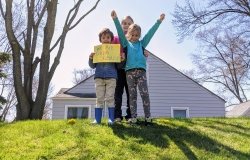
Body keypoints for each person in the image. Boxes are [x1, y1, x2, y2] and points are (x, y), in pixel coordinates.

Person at [111, 10, 165, 124]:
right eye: (132, 35)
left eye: (137, 35)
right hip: (129, 73)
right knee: (132, 96)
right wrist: (115, 19)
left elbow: (150, 33)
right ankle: (133, 117)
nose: (134, 37)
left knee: (145, 94)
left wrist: (159, 21)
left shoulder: (142, 43)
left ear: (139, 35)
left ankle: (148, 116)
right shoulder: (126, 43)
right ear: (128, 34)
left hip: (141, 72)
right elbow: (120, 32)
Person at [89, 28, 125, 125]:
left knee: (110, 98)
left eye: (108, 37)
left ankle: (111, 119)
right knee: (99, 98)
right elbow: (92, 66)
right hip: (99, 77)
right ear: (100, 39)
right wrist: (90, 58)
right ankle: (97, 119)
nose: (105, 39)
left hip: (111, 78)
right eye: (103, 37)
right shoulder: (97, 51)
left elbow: (118, 66)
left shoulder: (114, 51)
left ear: (111, 39)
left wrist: (121, 60)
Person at [112, 15, 134, 122]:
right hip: (118, 69)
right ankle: (117, 115)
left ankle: (130, 115)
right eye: (124, 23)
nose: (126, 25)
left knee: (131, 93)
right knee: (118, 93)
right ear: (121, 25)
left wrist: (144, 52)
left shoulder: (134, 40)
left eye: (129, 24)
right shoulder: (115, 39)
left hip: (130, 70)